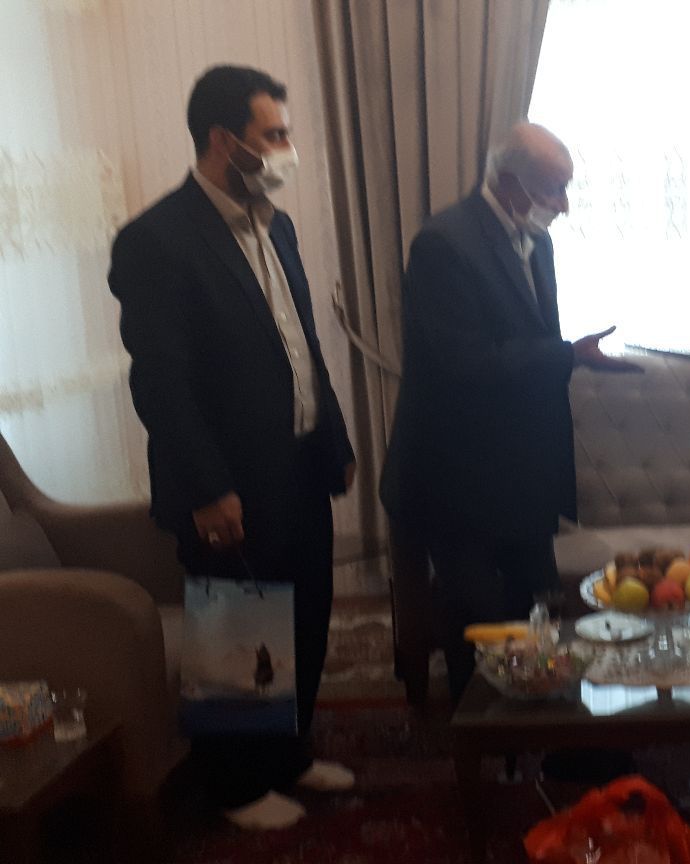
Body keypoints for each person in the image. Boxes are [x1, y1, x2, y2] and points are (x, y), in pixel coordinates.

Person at [109, 65, 357, 830]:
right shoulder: (155, 241)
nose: (286, 149)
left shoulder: (275, 225)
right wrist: (208, 487)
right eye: (273, 135)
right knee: (237, 626)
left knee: (305, 615)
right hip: (227, 479)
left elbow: (301, 344)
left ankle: (288, 754)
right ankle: (234, 785)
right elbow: (163, 384)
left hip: (299, 462)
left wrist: (335, 438)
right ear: (224, 140)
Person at [380, 122, 638, 705]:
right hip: (458, 476)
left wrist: (568, 359)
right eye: (552, 189)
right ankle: (481, 731)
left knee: (535, 611)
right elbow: (463, 363)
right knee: (479, 622)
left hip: (522, 473)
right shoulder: (443, 243)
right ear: (507, 180)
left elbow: (529, 346)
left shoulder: (537, 242)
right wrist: (568, 355)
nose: (563, 205)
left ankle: (537, 722)